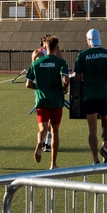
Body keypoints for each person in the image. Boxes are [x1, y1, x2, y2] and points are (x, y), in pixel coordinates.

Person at [74, 28, 107, 164]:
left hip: (90, 95)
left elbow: (77, 76)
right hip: (105, 94)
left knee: (92, 130)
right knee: (106, 126)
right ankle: (104, 147)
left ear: (88, 40)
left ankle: (95, 159)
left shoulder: (82, 55)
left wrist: (82, 80)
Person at [26, 35, 69, 169]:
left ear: (45, 47)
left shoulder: (36, 62)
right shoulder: (60, 62)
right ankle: (53, 163)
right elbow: (66, 80)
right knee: (54, 130)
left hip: (41, 99)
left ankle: (40, 142)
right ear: (57, 47)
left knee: (43, 128)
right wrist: (65, 89)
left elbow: (28, 84)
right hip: (56, 100)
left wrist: (39, 88)